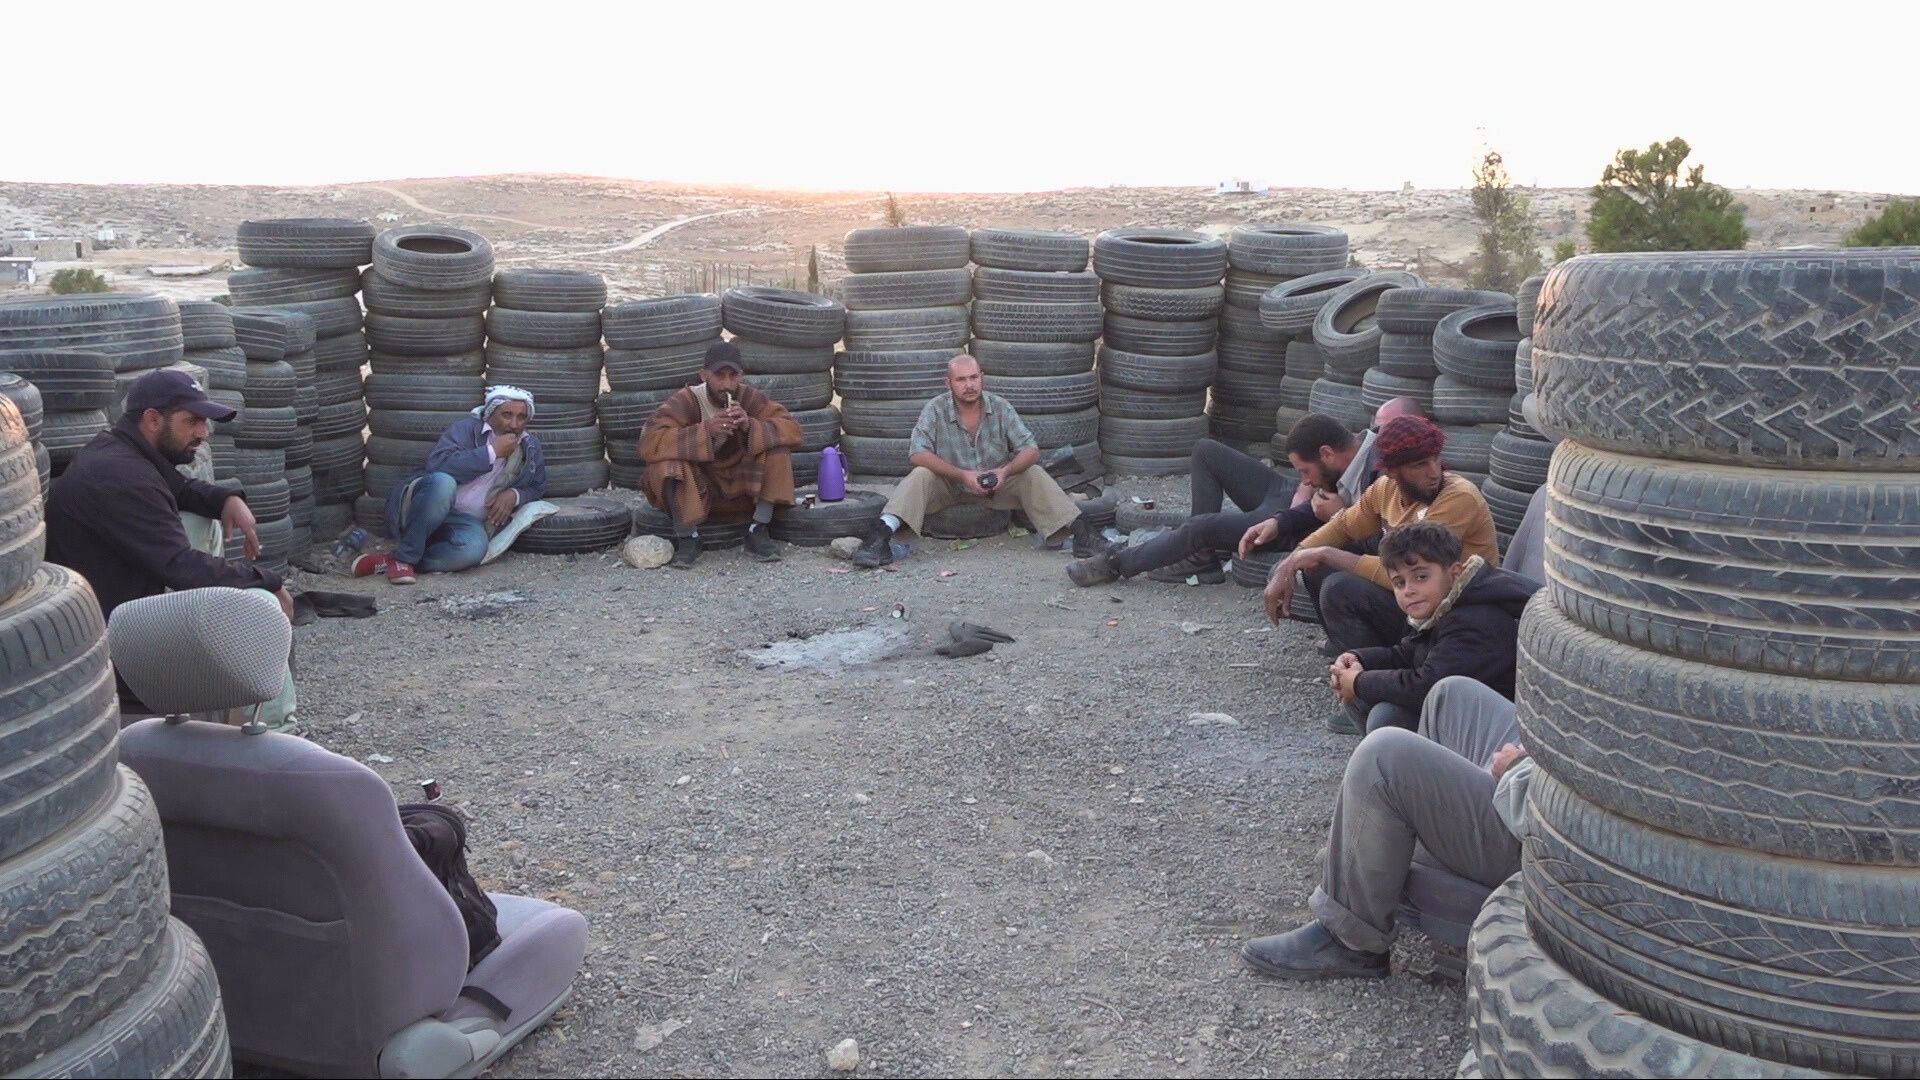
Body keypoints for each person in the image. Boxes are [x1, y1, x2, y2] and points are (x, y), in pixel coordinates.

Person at [1240, 676, 1534, 981]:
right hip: (1544, 783)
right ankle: (1382, 864)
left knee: (1384, 757)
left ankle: (1350, 939)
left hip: (1545, 838)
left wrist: (1516, 770)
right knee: (1452, 696)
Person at [43, 368, 294, 707]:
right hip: (112, 647)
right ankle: (274, 732)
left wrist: (226, 499)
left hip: (118, 609)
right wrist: (267, 580)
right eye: (193, 421)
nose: (204, 433)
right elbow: (183, 569)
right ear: (152, 419)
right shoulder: (121, 477)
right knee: (258, 609)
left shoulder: (120, 451)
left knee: (202, 519)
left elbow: (179, 489)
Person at [1065, 402, 1419, 588]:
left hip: (1309, 526)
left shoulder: (1384, 474)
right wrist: (1286, 512)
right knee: (1206, 449)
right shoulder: (1357, 446)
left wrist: (1339, 514)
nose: (1308, 481)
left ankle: (1117, 564)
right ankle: (1200, 554)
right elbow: (1309, 487)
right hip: (1286, 504)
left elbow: (1387, 547)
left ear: (1326, 455)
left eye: (1307, 472)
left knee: (1201, 526)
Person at [1251, 414, 1498, 658]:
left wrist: (1325, 553)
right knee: (1316, 567)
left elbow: (1415, 573)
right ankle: (1352, 658)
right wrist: (1292, 561)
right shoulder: (1385, 488)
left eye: (1435, 460)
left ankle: (1376, 676)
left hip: (1457, 614)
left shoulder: (1457, 497)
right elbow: (1342, 527)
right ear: (1391, 471)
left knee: (1340, 587)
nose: (1434, 472)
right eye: (1419, 465)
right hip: (1418, 603)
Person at [854, 354, 1091, 568]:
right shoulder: (935, 409)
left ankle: (1085, 534)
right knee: (920, 475)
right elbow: (917, 453)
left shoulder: (1000, 407)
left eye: (973, 377)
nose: (969, 385)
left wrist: (1004, 472)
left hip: (995, 487)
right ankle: (879, 537)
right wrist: (961, 475)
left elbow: (1030, 449)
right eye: (960, 380)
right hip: (948, 486)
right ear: (948, 383)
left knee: (1034, 472)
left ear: (982, 378)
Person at [1327, 521, 1538, 735]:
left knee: (1387, 717)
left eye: (1421, 577)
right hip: (1464, 713)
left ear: (1455, 573)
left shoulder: (1476, 618)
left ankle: (1410, 766)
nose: (1409, 590)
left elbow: (1427, 688)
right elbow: (1406, 654)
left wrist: (1359, 682)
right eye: (1399, 583)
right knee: (1359, 693)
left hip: (1506, 733)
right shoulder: (1444, 605)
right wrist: (1358, 660)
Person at [356, 385, 547, 584]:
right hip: (425, 507)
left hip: (465, 522)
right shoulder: (465, 430)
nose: (514, 424)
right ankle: (405, 557)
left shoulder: (530, 447)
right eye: (507, 415)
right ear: (491, 413)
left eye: (521, 417)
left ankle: (397, 561)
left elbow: (537, 486)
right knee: (443, 482)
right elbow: (437, 465)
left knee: (473, 550)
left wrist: (514, 494)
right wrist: (491, 453)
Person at [639, 341, 802, 569]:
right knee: (666, 464)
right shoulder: (687, 400)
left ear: (741, 376)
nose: (726, 383)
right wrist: (705, 432)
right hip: (701, 489)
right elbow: (649, 442)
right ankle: (688, 538)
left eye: (733, 376)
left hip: (742, 491)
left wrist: (751, 426)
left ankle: (758, 529)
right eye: (719, 375)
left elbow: (793, 430)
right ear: (704, 375)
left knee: (776, 448)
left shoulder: (749, 398)